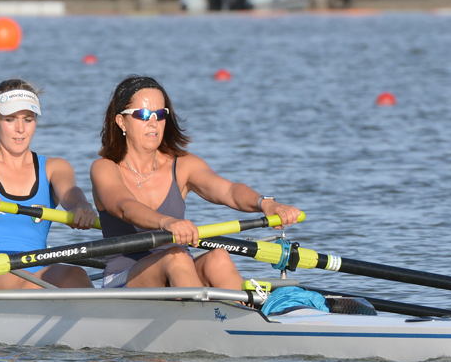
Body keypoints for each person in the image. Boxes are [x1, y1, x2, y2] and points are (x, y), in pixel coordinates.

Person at [89, 75, 302, 290]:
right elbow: (124, 207)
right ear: (121, 121)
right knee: (176, 256)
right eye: (144, 115)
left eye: (161, 114)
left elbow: (228, 190)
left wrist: (265, 203)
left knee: (218, 258)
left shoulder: (183, 165)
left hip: (179, 273)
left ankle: (247, 317)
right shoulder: (105, 168)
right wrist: (167, 222)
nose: (153, 123)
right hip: (124, 280)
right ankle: (206, 316)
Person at [0, 79, 96, 290]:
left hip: (35, 273)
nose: (20, 129)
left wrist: (81, 207)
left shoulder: (55, 167)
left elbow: (70, 193)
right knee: (51, 278)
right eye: (10, 119)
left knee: (75, 274)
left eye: (28, 119)